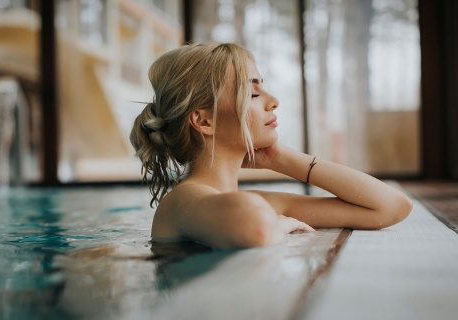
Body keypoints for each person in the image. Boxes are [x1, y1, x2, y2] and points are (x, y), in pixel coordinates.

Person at [130, 42, 412, 249]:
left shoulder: (253, 203)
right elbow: (258, 228)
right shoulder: (183, 200)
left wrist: (282, 159)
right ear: (204, 121)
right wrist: (280, 222)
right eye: (253, 93)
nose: (273, 99)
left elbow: (391, 207)